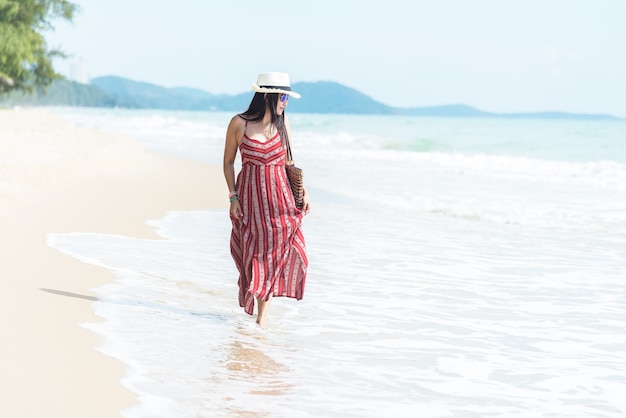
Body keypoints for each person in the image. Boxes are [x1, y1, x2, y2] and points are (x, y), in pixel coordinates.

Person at [223, 72, 310, 327]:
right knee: (253, 257)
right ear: (268, 96)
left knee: (284, 256)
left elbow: (289, 163)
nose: (286, 102)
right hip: (250, 202)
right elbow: (228, 162)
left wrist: (304, 192)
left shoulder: (283, 125)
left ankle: (262, 321)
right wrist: (233, 197)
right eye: (283, 96)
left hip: (280, 203)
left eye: (287, 97)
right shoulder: (239, 123)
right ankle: (259, 317)